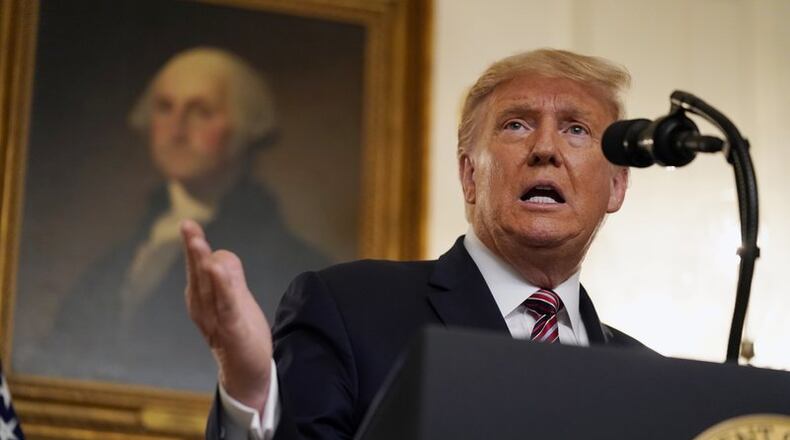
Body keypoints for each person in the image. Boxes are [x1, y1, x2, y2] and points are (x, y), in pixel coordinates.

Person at [181, 48, 651, 438]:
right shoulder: (348, 308)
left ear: (616, 186)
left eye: (576, 129)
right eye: (517, 125)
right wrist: (250, 391)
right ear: (470, 174)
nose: (545, 149)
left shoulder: (648, 381)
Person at [32, 48, 328, 390]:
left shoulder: (291, 266)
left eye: (201, 111)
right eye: (165, 107)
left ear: (245, 128)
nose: (177, 128)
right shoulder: (120, 258)